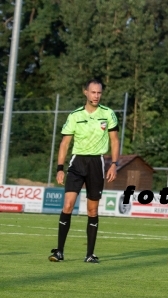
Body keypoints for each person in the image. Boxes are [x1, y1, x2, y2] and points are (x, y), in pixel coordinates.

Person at [48, 79, 120, 263]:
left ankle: (89, 254)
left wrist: (114, 163)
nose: (96, 96)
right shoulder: (74, 116)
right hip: (77, 162)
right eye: (93, 92)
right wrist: (60, 168)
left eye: (99, 93)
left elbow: (114, 140)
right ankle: (59, 252)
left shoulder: (108, 114)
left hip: (97, 163)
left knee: (92, 210)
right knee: (68, 205)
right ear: (85, 92)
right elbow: (65, 143)